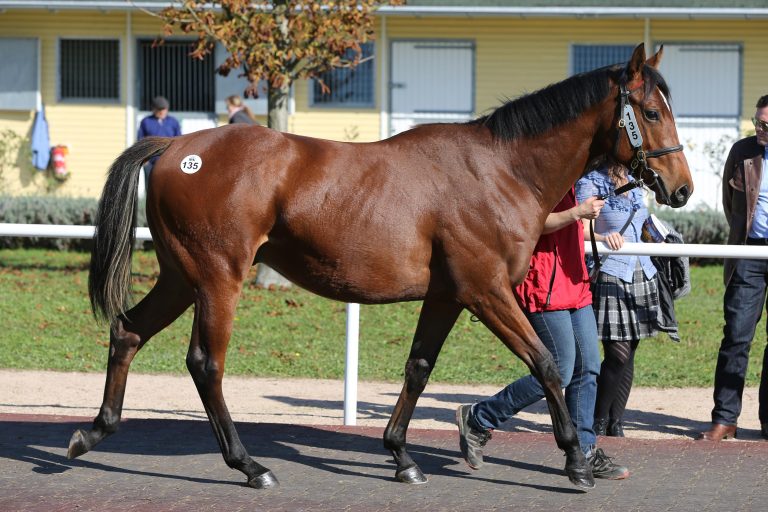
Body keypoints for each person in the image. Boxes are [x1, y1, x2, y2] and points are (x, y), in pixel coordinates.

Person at [456, 188, 629, 482]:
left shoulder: (574, 178)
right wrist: (578, 213)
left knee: (588, 369)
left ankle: (584, 450)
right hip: (544, 288)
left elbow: (576, 229)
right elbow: (531, 223)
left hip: (575, 284)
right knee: (558, 371)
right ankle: (479, 418)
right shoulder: (538, 175)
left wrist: (591, 225)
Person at [575, 161, 664, 438]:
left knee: (630, 352)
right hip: (612, 272)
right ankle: (598, 419)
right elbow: (580, 228)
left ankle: (617, 422)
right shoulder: (591, 181)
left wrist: (656, 233)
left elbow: (642, 223)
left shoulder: (636, 180)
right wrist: (603, 237)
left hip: (642, 271)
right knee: (618, 353)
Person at [699, 95, 768, 442]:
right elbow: (731, 207)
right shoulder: (742, 152)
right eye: (757, 121)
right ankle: (725, 419)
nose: (760, 129)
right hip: (748, 254)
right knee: (737, 336)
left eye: (766, 125)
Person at [137, 95, 181, 185]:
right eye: (159, 109)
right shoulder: (146, 121)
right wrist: (145, 160)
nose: (161, 112)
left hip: (169, 161)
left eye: (163, 109)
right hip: (151, 160)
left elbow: (179, 140)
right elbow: (140, 140)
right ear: (153, 109)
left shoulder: (173, 122)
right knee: (150, 186)